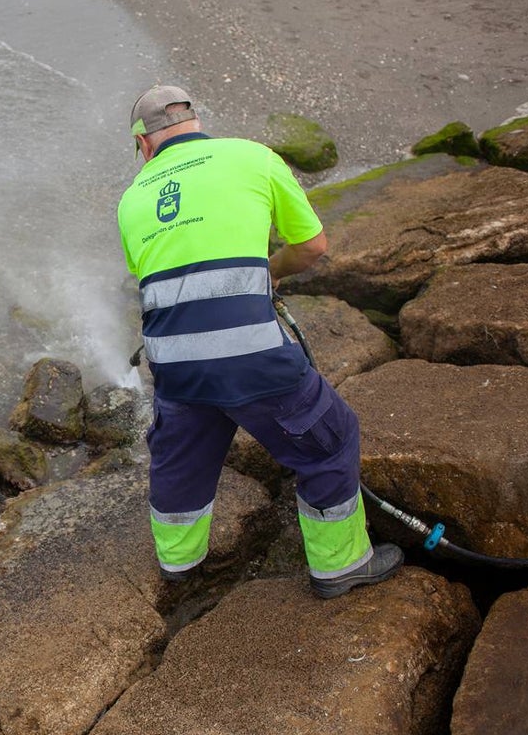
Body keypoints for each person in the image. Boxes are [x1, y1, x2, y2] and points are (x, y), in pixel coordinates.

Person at [117, 84, 402, 598]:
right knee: (331, 438)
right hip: (251, 356)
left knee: (182, 454)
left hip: (173, 364)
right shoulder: (253, 156)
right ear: (196, 122)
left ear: (143, 143)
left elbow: (158, 276)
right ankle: (340, 564)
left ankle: (178, 561)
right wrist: (269, 271)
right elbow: (312, 246)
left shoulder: (132, 199)